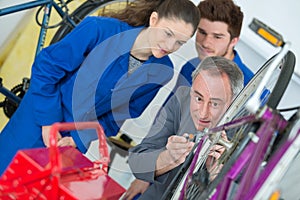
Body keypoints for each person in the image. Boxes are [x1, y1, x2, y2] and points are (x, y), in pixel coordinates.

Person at [0, 0, 200, 175]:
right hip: (39, 122)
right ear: (154, 19)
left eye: (179, 43)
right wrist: (48, 122)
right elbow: (46, 68)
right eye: (167, 34)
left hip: (71, 143)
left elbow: (118, 117)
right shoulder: (98, 29)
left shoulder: (162, 70)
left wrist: (78, 140)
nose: (170, 45)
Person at [125, 56, 244, 199]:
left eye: (214, 104)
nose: (202, 112)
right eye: (198, 98)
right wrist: (168, 158)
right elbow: (137, 162)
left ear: (235, 102)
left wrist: (217, 177)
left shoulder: (249, 130)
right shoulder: (182, 99)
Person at [178, 0, 253, 87]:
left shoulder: (251, 89)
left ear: (233, 41)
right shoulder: (189, 68)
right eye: (202, 32)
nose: (205, 43)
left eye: (217, 37)